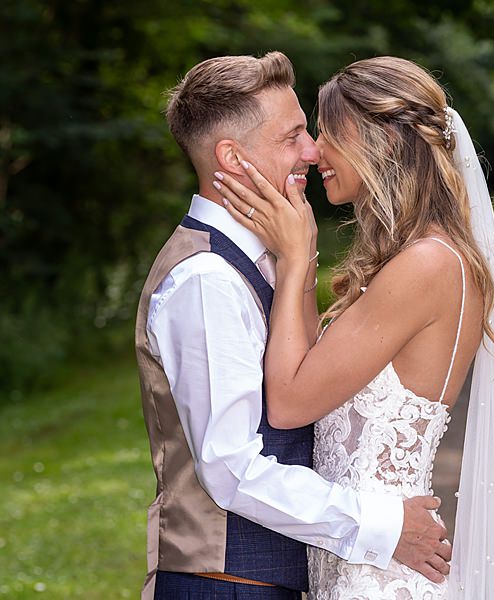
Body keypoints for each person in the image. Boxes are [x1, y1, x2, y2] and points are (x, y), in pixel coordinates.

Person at [215, 56, 494, 600]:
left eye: (326, 132)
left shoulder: (428, 264)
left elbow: (286, 401)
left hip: (375, 575)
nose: (313, 151)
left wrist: (298, 260)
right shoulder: (415, 257)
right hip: (354, 557)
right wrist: (299, 259)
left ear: (378, 139)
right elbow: (304, 366)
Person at [134, 52, 450, 600]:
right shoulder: (207, 278)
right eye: (293, 136)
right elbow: (231, 468)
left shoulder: (260, 262)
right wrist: (379, 527)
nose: (312, 151)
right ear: (232, 158)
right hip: (225, 585)